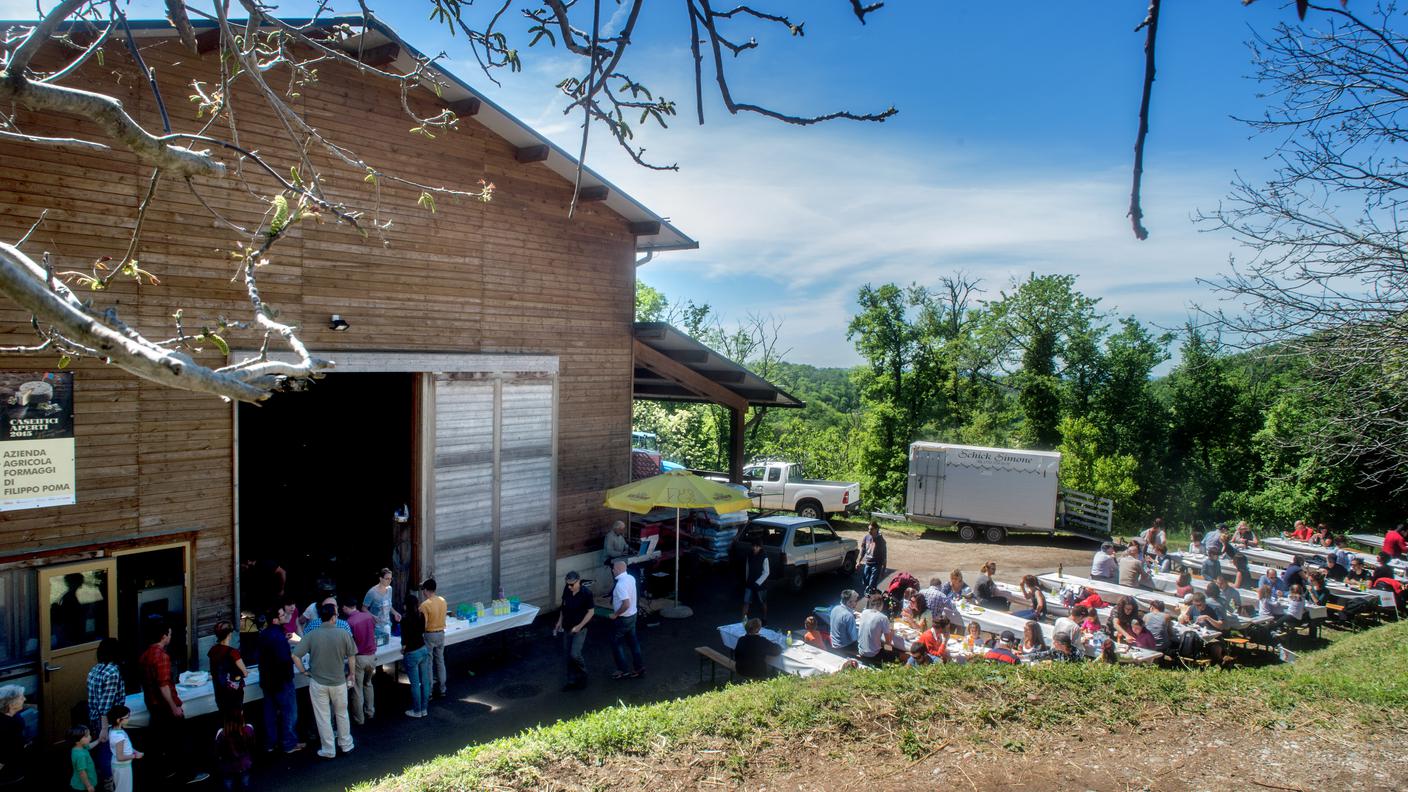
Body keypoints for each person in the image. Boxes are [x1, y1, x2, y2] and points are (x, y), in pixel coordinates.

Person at [140, 622, 209, 784]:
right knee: (181, 740)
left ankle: (167, 770)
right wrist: (174, 707)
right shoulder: (162, 656)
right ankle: (187, 774)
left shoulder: (144, 656)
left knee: (162, 740)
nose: (170, 637)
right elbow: (164, 685)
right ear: (164, 636)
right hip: (165, 706)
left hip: (152, 704)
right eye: (169, 634)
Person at [292, 601, 358, 759]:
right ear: (334, 617)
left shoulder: (311, 634)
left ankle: (328, 749)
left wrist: (304, 671)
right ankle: (346, 744)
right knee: (342, 713)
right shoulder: (343, 633)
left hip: (318, 681)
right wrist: (352, 674)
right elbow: (352, 655)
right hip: (339, 681)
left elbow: (295, 655)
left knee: (323, 716)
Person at [257, 606, 304, 752]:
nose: (285, 616)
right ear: (275, 619)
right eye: (282, 615)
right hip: (282, 680)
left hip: (266, 679)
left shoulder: (264, 634)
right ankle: (289, 743)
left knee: (269, 714)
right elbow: (284, 659)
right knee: (289, 712)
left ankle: (270, 743)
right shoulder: (279, 637)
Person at [85, 637, 123, 787]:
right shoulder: (113, 672)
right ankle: (108, 783)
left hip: (93, 716)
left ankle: (98, 779)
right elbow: (106, 704)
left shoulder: (95, 669)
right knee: (107, 751)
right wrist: (105, 727)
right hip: (107, 719)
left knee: (99, 751)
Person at [554, 571, 594, 691]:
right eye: (568, 584)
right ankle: (571, 680)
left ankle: (583, 674)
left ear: (579, 581)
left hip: (580, 629)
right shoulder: (567, 590)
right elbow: (563, 607)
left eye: (572, 584)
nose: (570, 587)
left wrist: (580, 626)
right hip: (567, 626)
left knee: (575, 654)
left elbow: (591, 612)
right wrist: (559, 621)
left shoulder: (586, 593)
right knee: (567, 656)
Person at [342, 599, 378, 724]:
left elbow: (349, 643)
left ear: (346, 607)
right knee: (368, 683)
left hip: (359, 657)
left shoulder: (349, 622)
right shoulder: (368, 617)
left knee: (357, 689)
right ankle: (370, 711)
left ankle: (359, 718)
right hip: (372, 656)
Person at [608, 560, 645, 679]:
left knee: (616, 643)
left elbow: (626, 604)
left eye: (614, 568)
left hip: (623, 618)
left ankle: (622, 669)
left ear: (618, 570)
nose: (612, 570)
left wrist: (615, 614)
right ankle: (639, 667)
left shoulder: (620, 585)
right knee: (633, 643)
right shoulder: (631, 578)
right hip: (632, 616)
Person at [209, 620, 249, 716]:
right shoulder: (232, 652)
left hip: (219, 693)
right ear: (229, 635)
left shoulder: (213, 650)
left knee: (224, 718)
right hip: (233, 694)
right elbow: (245, 673)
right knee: (235, 720)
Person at [401, 594, 430, 718]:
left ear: (406, 606)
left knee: (415, 684)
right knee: (425, 681)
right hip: (423, 649)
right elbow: (422, 631)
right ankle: (424, 709)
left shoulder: (404, 619)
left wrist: (404, 649)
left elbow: (404, 640)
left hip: (411, 652)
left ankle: (417, 710)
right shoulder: (421, 615)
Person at [419, 578, 449, 698]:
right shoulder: (442, 600)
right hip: (441, 633)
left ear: (426, 590)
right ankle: (442, 688)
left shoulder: (424, 605)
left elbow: (423, 624)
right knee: (440, 661)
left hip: (430, 634)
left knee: (428, 663)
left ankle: (429, 690)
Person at [214, 710, 255, 791]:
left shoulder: (221, 733)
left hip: (227, 765)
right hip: (244, 763)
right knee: (245, 779)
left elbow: (217, 750)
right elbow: (252, 745)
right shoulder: (249, 729)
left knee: (228, 780)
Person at [106, 704, 141, 792]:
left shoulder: (115, 730)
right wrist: (135, 756)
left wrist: (135, 751)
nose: (129, 718)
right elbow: (120, 757)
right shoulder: (118, 736)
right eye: (127, 717)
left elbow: (127, 747)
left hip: (122, 766)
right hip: (122, 768)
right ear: (119, 720)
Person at [363, 568, 401, 646]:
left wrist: (395, 613)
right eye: (387, 579)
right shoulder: (372, 592)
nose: (389, 581)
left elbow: (389, 605)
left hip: (387, 625)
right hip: (376, 627)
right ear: (380, 578)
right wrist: (372, 616)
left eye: (391, 578)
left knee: (388, 647)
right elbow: (363, 608)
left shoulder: (389, 589)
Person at [0, 685, 27, 787]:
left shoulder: (15, 716)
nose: (25, 699)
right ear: (11, 704)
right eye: (21, 697)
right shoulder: (8, 725)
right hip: (8, 771)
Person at [856, 593, 894, 664]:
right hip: (873, 654)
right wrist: (892, 632)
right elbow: (888, 643)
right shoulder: (883, 618)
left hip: (861, 651)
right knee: (892, 651)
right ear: (881, 605)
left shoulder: (864, 612)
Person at [742, 540, 770, 624]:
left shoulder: (764, 556)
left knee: (763, 602)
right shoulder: (749, 554)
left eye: (757, 546)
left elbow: (766, 572)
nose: (754, 548)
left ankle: (764, 619)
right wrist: (747, 580)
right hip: (750, 582)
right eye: (753, 546)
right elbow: (747, 567)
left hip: (761, 584)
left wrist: (758, 582)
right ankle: (743, 620)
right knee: (746, 602)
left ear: (760, 547)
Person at [858, 522, 887, 593]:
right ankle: (873, 592)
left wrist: (883, 569)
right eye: (868, 529)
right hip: (867, 563)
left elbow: (884, 555)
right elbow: (863, 550)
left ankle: (872, 598)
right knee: (865, 582)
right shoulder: (866, 537)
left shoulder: (881, 541)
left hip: (876, 565)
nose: (869, 531)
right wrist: (858, 562)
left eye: (871, 529)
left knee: (872, 584)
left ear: (876, 529)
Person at [69, 725, 97, 792]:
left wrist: (99, 740)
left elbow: (89, 746)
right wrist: (89, 786)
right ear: (77, 741)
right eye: (87, 736)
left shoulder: (78, 747)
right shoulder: (81, 755)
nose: (90, 737)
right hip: (83, 786)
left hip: (78, 782)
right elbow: (82, 772)